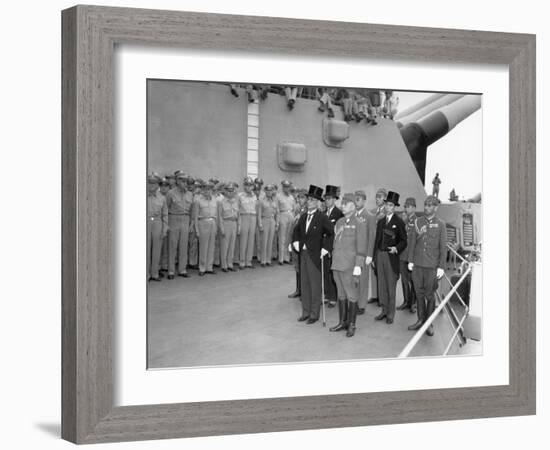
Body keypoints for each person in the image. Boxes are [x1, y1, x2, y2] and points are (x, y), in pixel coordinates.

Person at [291, 185, 334, 324]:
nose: (308, 202)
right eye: (308, 199)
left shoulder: (322, 218)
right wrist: (295, 241)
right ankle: (305, 312)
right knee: (304, 284)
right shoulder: (303, 217)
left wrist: (326, 248)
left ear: (317, 202)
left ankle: (314, 314)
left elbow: (330, 233)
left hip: (315, 255)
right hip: (303, 254)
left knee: (315, 286)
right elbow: (296, 231)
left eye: (311, 200)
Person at [407, 195, 447, 337]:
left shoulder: (441, 224)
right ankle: (420, 320)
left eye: (430, 205)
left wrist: (441, 266)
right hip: (418, 265)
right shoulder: (418, 222)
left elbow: (443, 247)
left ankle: (428, 323)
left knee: (429, 295)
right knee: (418, 294)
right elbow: (412, 243)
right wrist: (410, 260)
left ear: (435, 208)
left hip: (431, 266)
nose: (427, 207)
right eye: (425, 204)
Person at [330, 193, 367, 337]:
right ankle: (342, 322)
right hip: (337, 264)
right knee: (341, 295)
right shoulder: (339, 222)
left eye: (346, 203)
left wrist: (358, 266)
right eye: (342, 203)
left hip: (350, 266)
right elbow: (336, 242)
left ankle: (352, 324)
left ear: (353, 205)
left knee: (352, 295)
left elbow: (361, 248)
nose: (343, 206)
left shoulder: (359, 223)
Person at [373, 191, 407, 324]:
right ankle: (384, 310)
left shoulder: (398, 222)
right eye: (387, 204)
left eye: (391, 205)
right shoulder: (381, 222)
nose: (388, 207)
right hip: (380, 256)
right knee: (381, 285)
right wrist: (375, 257)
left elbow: (404, 241)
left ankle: (391, 314)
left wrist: (396, 248)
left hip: (391, 257)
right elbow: (377, 241)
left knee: (390, 286)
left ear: (395, 207)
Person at [165, 172, 193, 279]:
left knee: (183, 246)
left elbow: (191, 210)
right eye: (181, 180)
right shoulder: (170, 193)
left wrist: (191, 224)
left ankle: (182, 269)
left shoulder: (190, 194)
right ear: (177, 181)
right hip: (174, 218)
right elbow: (166, 209)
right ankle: (171, 271)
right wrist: (166, 224)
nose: (184, 182)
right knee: (172, 246)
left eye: (186, 181)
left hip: (185, 219)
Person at [353, 190, 377, 315]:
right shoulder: (352, 215)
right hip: (352, 253)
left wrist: (370, 254)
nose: (356, 202)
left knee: (363, 280)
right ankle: (354, 301)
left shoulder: (369, 216)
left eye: (358, 199)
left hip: (363, 254)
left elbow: (372, 236)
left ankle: (361, 305)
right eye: (355, 199)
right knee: (354, 279)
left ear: (364, 200)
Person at [323, 185, 344, 307]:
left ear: (335, 200)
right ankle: (326, 295)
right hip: (323, 248)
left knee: (332, 274)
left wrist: (332, 248)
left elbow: (339, 233)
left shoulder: (339, 213)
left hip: (332, 248)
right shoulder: (323, 213)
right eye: (326, 198)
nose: (327, 201)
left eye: (330, 199)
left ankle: (333, 297)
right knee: (325, 272)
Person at [192, 181, 218, 276]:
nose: (207, 191)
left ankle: (209, 267)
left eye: (209, 189)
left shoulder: (215, 200)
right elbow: (195, 217)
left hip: (213, 223)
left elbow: (217, 215)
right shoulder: (198, 200)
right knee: (203, 246)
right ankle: (202, 268)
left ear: (212, 190)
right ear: (202, 190)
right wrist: (197, 229)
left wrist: (217, 227)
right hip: (203, 222)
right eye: (205, 189)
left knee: (211, 246)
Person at [397, 197, 418, 312]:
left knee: (413, 280)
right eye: (405, 206)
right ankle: (406, 301)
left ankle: (413, 303)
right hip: (402, 255)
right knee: (404, 280)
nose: (406, 208)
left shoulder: (417, 221)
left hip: (411, 256)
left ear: (414, 208)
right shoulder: (404, 220)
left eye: (408, 206)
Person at [367, 188, 387, 306]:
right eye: (376, 197)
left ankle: (382, 297)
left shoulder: (387, 211)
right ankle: (374, 295)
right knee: (373, 270)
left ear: (385, 198)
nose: (377, 199)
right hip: (372, 243)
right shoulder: (373, 212)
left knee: (381, 271)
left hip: (381, 244)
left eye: (380, 197)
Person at [147, 175, 168, 281]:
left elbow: (165, 214)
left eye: (154, 183)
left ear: (157, 185)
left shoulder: (162, 198)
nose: (152, 185)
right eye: (150, 183)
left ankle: (154, 273)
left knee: (157, 249)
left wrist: (164, 229)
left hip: (157, 222)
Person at [288, 188, 307, 298]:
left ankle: (303, 291)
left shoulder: (307, 211)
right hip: (295, 242)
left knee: (303, 268)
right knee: (297, 267)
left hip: (301, 243)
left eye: (302, 197)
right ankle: (298, 289)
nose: (299, 199)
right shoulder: (299, 210)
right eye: (298, 197)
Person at [218, 182, 239, 272]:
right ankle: (224, 265)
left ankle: (230, 264)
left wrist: (239, 226)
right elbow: (219, 216)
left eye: (232, 190)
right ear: (225, 191)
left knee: (232, 245)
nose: (230, 192)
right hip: (226, 223)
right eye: (228, 190)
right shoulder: (221, 202)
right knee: (225, 246)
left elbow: (238, 215)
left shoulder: (235, 201)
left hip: (233, 223)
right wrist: (221, 228)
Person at [238, 177, 258, 269]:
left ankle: (248, 261)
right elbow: (238, 210)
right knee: (243, 239)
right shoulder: (240, 196)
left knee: (251, 240)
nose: (248, 187)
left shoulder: (255, 196)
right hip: (244, 217)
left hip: (253, 217)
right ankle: (242, 261)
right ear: (244, 186)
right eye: (246, 185)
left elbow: (256, 209)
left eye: (250, 185)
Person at [258, 184, 279, 266]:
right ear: (265, 191)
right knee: (264, 241)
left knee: (270, 241)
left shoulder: (274, 201)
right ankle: (263, 260)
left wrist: (277, 223)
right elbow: (259, 214)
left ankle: (268, 260)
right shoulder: (261, 201)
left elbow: (278, 213)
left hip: (272, 221)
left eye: (271, 190)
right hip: (264, 220)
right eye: (268, 190)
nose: (269, 192)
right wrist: (260, 224)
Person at [277, 180, 296, 265]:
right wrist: (277, 221)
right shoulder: (278, 196)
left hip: (290, 215)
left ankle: (286, 257)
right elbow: (277, 209)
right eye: (285, 186)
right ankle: (281, 258)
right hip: (282, 215)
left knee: (288, 238)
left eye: (288, 187)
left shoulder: (291, 197)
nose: (286, 188)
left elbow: (294, 208)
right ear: (282, 187)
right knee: (282, 238)